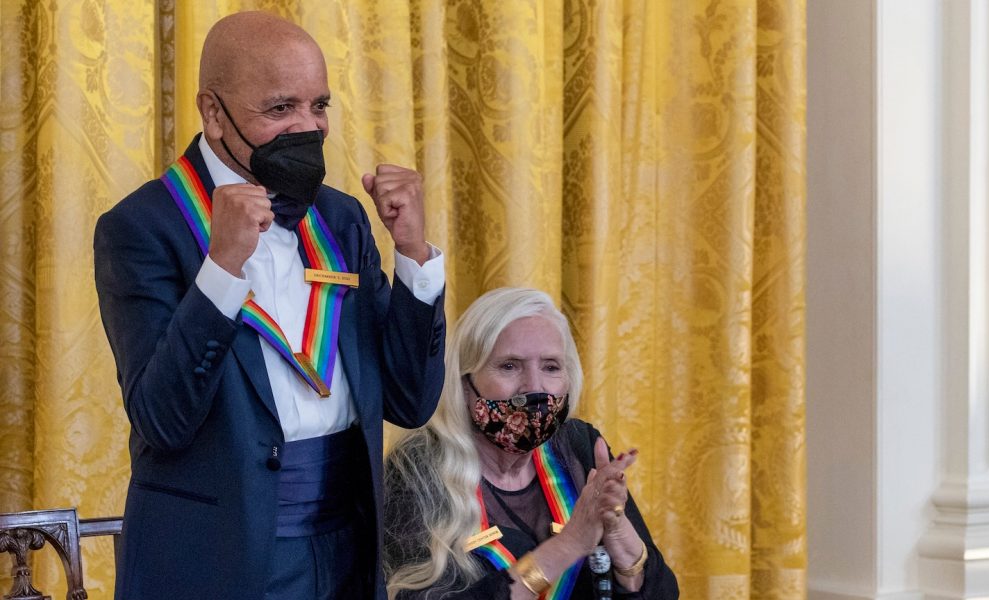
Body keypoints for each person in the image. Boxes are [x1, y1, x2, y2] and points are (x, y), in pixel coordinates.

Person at [94, 11, 445, 600]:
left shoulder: (342, 217)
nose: (308, 127)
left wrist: (413, 256)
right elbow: (163, 421)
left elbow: (410, 400)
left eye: (320, 106)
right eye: (280, 109)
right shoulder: (141, 227)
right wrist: (222, 268)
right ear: (213, 112)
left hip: (348, 546)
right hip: (216, 559)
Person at [383, 288, 679, 599]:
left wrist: (618, 534)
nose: (534, 387)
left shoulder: (579, 448)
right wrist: (570, 544)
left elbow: (663, 594)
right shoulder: (416, 468)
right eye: (509, 365)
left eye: (551, 367)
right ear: (465, 383)